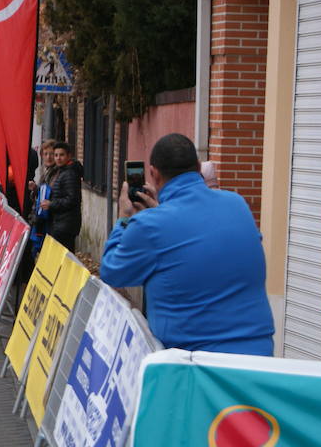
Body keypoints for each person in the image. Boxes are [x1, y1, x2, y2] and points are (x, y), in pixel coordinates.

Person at [100, 133, 274, 355]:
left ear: (153, 174)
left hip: (196, 366)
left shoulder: (148, 225)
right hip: (257, 354)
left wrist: (124, 218)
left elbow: (112, 271)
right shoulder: (237, 204)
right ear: (199, 167)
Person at [40, 142, 82, 252]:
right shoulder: (62, 171)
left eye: (61, 155)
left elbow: (72, 199)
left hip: (65, 224)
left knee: (61, 257)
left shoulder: (69, 174)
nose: (58, 158)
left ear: (68, 156)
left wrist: (51, 204)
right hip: (59, 222)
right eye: (56, 155)